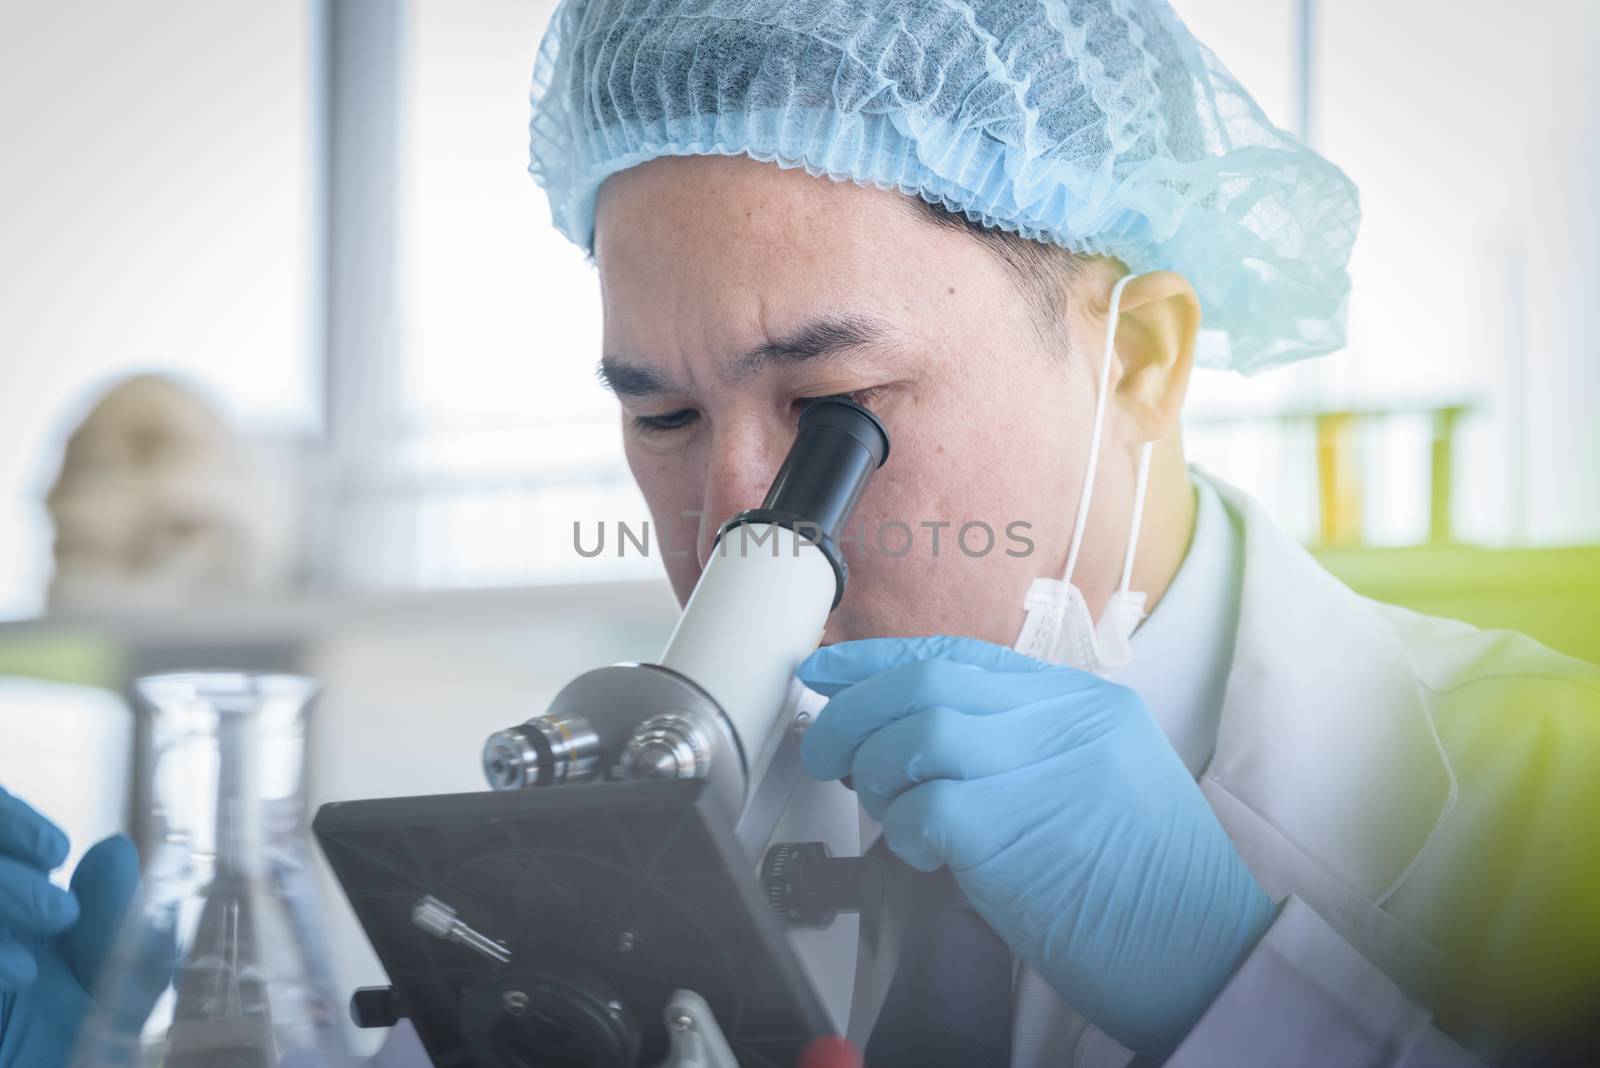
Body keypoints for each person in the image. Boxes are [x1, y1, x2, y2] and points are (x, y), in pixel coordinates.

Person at [3, 1, 1595, 1065]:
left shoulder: (1554, 798)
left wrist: (1246, 998)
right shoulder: (623, 823)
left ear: (1148, 359)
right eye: (665, 419)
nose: (729, 527)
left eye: (839, 403)